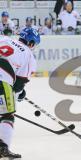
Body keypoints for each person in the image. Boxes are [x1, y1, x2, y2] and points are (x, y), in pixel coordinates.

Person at [0, 28, 40, 158]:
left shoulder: (4, 38)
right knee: (7, 115)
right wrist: (19, 94)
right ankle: (2, 149)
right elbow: (18, 85)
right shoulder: (28, 54)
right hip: (2, 78)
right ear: (32, 43)